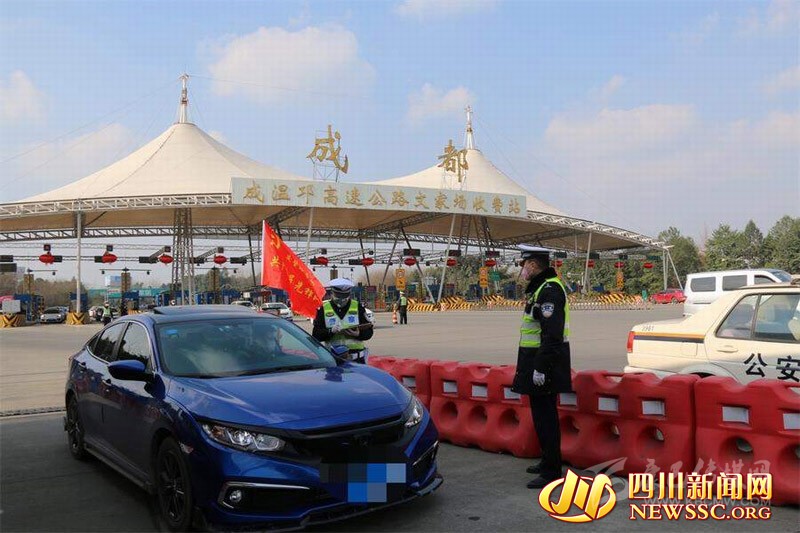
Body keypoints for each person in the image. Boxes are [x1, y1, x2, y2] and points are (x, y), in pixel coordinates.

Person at [511, 245, 572, 489]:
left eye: (524, 265)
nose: (522, 270)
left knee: (546, 418)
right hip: (536, 361)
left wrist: (541, 368)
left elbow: (552, 335)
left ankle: (551, 471)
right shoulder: (540, 289)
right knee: (540, 415)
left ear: (534, 265)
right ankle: (547, 460)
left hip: (545, 363)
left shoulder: (550, 290)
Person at [312, 278, 374, 363]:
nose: (341, 299)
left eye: (344, 296)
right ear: (332, 293)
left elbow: (369, 332)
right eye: (338, 295)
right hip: (334, 359)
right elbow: (316, 335)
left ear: (349, 294)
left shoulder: (357, 307)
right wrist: (331, 331)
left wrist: (358, 334)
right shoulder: (323, 309)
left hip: (356, 359)